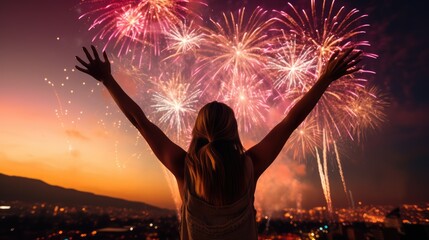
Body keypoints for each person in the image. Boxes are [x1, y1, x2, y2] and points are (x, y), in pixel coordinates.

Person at [76, 46, 361, 239]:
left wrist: (108, 80)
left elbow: (140, 121)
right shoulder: (250, 165)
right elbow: (290, 121)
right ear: (233, 130)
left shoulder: (183, 167)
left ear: (198, 131)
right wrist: (324, 79)